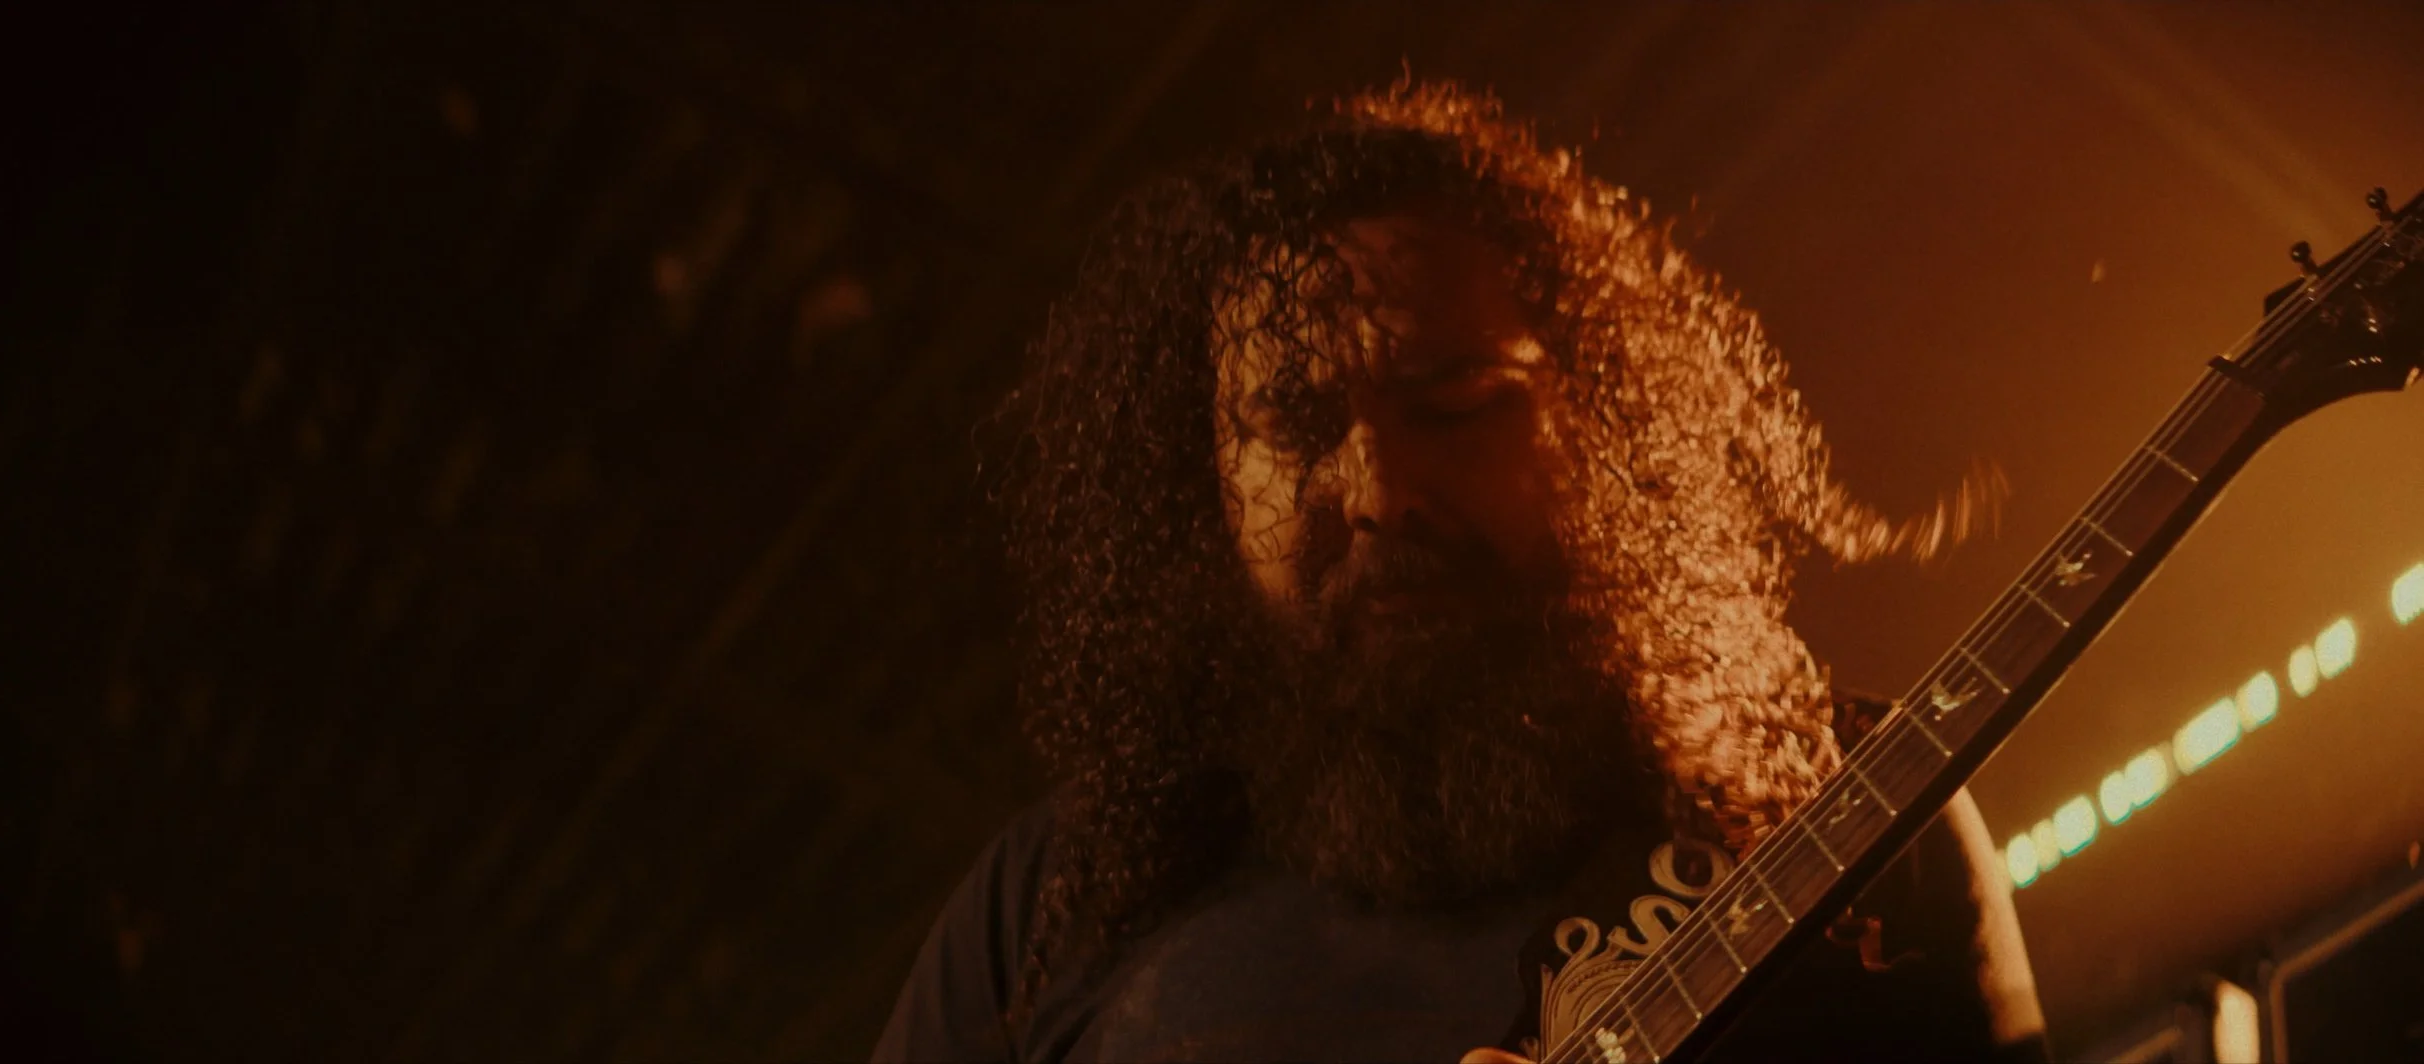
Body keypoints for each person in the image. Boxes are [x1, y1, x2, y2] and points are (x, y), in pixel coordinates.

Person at [873, 80, 2047, 1063]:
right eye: (1293, 424)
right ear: (1209, 484)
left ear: (1591, 418)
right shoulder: (1048, 904)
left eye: (1459, 402)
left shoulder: (1843, 808)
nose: (1385, 490)